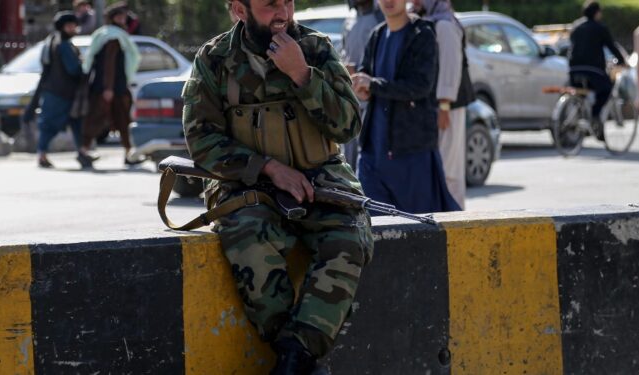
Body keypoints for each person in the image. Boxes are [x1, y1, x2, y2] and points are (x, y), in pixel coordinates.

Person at [183, 0, 374, 373]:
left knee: (349, 238)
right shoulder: (215, 59)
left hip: (319, 177)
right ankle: (300, 357)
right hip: (249, 185)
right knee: (247, 236)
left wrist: (302, 75)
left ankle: (295, 358)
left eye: (287, 2)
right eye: (270, 5)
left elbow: (349, 125)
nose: (282, 13)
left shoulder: (315, 49)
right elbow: (201, 138)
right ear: (240, 10)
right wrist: (268, 168)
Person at [352, 0, 460, 214]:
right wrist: (360, 86)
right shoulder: (377, 34)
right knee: (374, 229)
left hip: (411, 152)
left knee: (418, 229)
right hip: (373, 151)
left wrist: (373, 84)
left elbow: (420, 86)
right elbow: (366, 72)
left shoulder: (422, 34)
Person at [411, 0, 474, 210]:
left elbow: (450, 66)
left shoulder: (445, 26)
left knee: (449, 169)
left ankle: (455, 220)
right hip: (436, 107)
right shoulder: (431, 22)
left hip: (447, 108)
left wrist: (444, 105)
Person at [81, 2, 141, 166]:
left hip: (114, 87)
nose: (122, 19)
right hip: (110, 88)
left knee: (122, 120)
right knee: (98, 119)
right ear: (112, 18)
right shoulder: (112, 37)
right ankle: (84, 150)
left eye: (123, 16)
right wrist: (108, 88)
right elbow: (109, 63)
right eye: (119, 16)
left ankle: (128, 153)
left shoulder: (111, 34)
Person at [35, 12, 93, 169]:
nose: (74, 28)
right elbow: (74, 69)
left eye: (74, 25)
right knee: (50, 124)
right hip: (61, 93)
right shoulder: (63, 45)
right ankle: (42, 155)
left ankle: (82, 152)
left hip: (61, 91)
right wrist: (85, 66)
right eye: (70, 26)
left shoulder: (55, 41)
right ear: (63, 27)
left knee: (76, 123)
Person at [568, 1, 627, 140]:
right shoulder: (600, 28)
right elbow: (611, 46)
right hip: (593, 69)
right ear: (597, 13)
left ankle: (582, 119)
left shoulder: (576, 26)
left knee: (581, 93)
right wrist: (622, 61)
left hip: (574, 68)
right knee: (606, 89)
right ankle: (594, 116)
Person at [340, 0, 384, 170]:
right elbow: (344, 53)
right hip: (351, 102)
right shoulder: (350, 20)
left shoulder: (380, 19)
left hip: (372, 101)